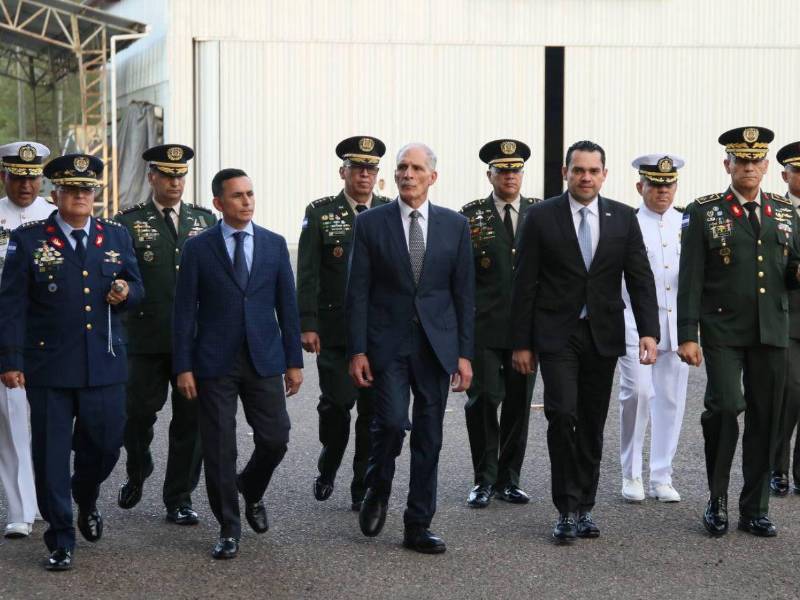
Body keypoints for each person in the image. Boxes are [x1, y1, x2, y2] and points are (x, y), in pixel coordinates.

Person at [510, 140, 659, 542]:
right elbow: (523, 283)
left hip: (603, 335)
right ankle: (565, 507)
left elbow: (640, 277)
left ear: (605, 175)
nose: (586, 177)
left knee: (592, 421)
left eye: (594, 171)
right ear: (565, 173)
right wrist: (521, 343)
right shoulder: (541, 217)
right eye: (579, 170)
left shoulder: (623, 218)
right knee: (561, 414)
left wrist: (649, 331)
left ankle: (584, 507)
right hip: (557, 335)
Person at [0, 154, 143, 571]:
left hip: (105, 362)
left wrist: (125, 291)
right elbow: (11, 305)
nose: (80, 196)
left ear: (95, 195)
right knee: (50, 456)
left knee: (105, 446)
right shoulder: (29, 239)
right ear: (55, 194)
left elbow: (138, 288)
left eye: (87, 190)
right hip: (50, 367)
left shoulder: (116, 236)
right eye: (71, 190)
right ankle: (61, 537)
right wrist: (10, 359)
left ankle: (86, 496)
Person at [346, 143, 474, 554]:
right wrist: (357, 350)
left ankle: (418, 524)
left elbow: (463, 295)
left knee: (429, 438)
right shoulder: (370, 224)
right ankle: (377, 486)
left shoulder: (455, 225)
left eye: (416, 168)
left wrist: (465, 354)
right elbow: (358, 292)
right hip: (387, 344)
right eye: (402, 167)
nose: (407, 174)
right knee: (390, 423)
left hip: (436, 347)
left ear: (432, 177)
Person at [173, 168, 303, 559]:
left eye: (250, 194)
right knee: (218, 448)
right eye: (237, 196)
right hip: (214, 362)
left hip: (264, 358)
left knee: (275, 438)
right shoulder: (198, 249)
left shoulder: (274, 244)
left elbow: (288, 307)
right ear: (218, 203)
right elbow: (183, 313)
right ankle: (229, 527)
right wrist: (183, 366)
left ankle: (251, 487)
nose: (247, 202)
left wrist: (293, 362)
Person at [678, 126, 800, 538]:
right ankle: (717, 498)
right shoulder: (704, 211)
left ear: (766, 166)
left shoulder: (785, 212)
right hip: (723, 329)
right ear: (727, 164)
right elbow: (691, 278)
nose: (749, 167)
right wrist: (687, 333)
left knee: (767, 417)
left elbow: (792, 272)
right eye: (741, 160)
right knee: (727, 407)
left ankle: (755, 508)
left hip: (772, 330)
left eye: (755, 161)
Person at [114, 144, 216, 525]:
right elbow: (119, 274)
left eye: (181, 175)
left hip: (192, 341)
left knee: (192, 420)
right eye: (167, 175)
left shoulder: (205, 221)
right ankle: (138, 466)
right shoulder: (126, 223)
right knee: (137, 414)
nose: (175, 182)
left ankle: (179, 496)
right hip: (145, 338)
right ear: (152, 177)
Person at [297, 136, 390, 510]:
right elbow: (308, 272)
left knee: (372, 413)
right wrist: (307, 323)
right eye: (358, 168)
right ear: (343, 172)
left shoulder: (388, 210)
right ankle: (329, 459)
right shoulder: (321, 212)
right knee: (337, 405)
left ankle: (361, 485)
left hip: (377, 331)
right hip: (335, 329)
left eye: (371, 169)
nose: (364, 174)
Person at [460, 139, 538, 509]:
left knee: (519, 404)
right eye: (502, 170)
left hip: (526, 329)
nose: (510, 176)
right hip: (484, 327)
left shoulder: (540, 213)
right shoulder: (470, 215)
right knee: (484, 400)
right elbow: (461, 277)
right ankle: (483, 478)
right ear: (490, 174)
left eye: (516, 169)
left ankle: (510, 478)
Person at [618, 154, 689, 503]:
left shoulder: (687, 223)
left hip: (676, 322)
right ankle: (631, 474)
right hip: (633, 320)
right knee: (639, 394)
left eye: (669, 184)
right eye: (656, 184)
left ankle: (662, 475)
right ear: (640, 186)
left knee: (671, 400)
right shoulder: (626, 223)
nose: (663, 191)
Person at [0, 141, 53, 539]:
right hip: (6, 332)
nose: (25, 185)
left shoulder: (55, 216)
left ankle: (51, 500)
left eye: (32, 177)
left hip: (48, 335)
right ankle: (20, 510)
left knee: (52, 426)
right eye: (18, 177)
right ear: (5, 176)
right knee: (13, 422)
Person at [771, 141, 800, 497]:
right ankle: (776, 469)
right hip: (787, 315)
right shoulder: (775, 211)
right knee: (789, 393)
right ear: (785, 175)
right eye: (798, 171)